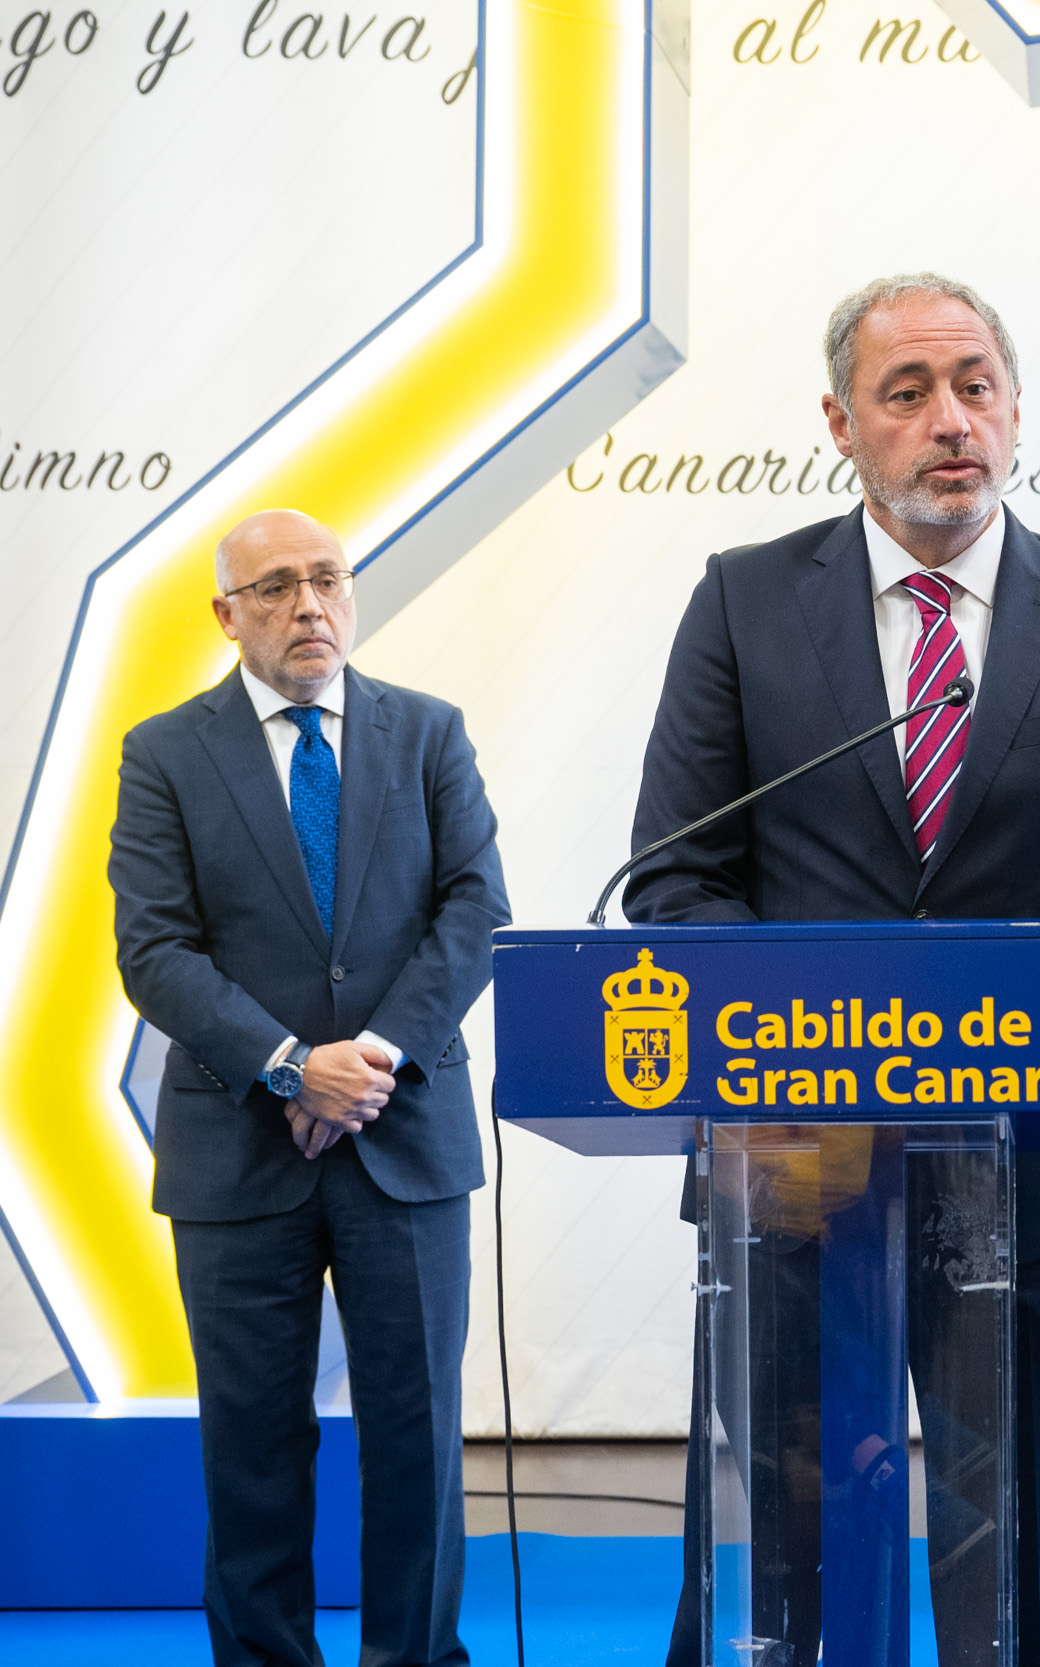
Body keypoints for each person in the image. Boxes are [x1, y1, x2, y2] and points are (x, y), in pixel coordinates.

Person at [630, 272, 1040, 1667]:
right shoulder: (744, 602)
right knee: (786, 1545)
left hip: (1024, 1164)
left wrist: (1001, 1024)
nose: (950, 419)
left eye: (975, 385)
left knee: (1004, 1544)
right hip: (791, 1163)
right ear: (842, 423)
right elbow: (676, 879)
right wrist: (829, 1040)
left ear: (1015, 407)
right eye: (907, 392)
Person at [108, 508, 510, 1667]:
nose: (309, 605)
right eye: (276, 586)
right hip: (238, 1151)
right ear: (225, 614)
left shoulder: (428, 733)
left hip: (404, 1132)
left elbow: (476, 909)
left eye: (327, 578)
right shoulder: (164, 752)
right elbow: (155, 949)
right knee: (251, 1442)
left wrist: (368, 1060)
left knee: (417, 1434)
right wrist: (291, 1064)